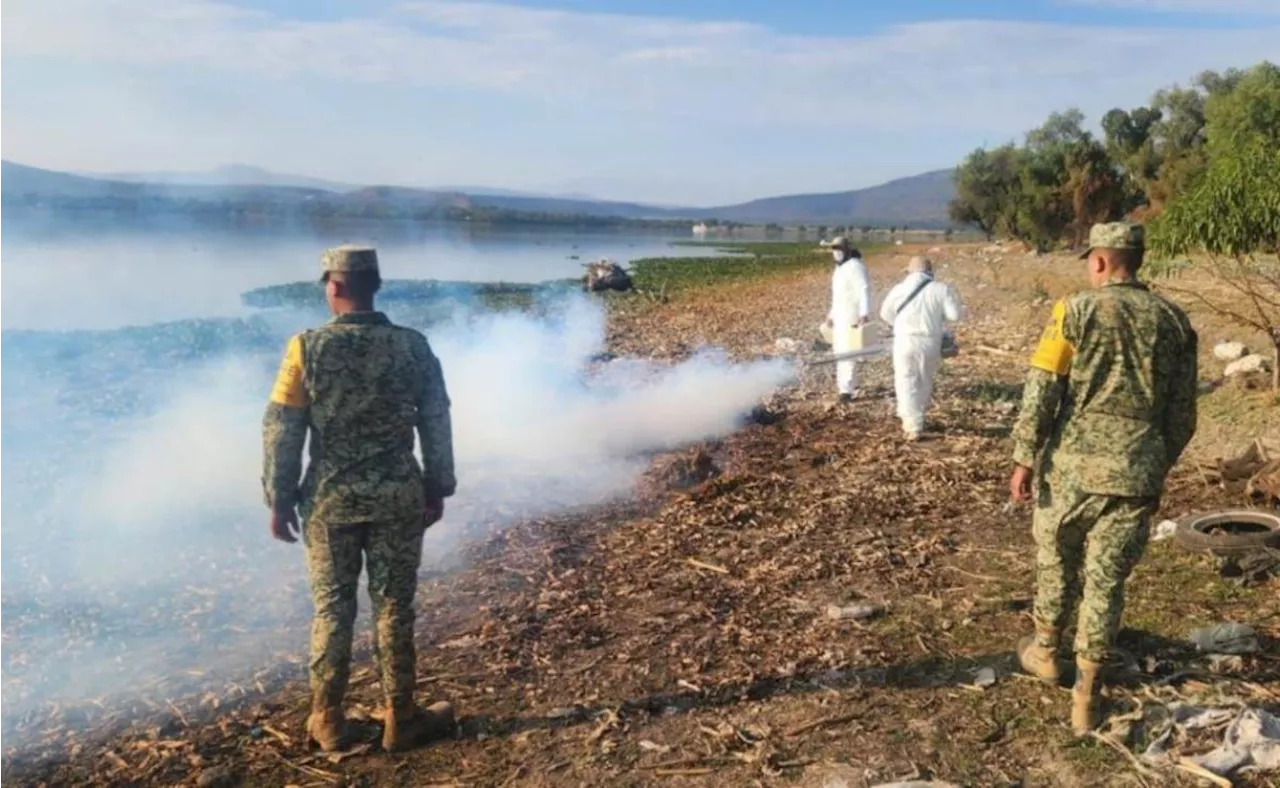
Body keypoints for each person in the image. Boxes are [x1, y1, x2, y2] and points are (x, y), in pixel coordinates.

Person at [262, 245, 458, 753]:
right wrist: (438, 485)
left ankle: (326, 720)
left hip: (330, 502)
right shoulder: (414, 347)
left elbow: (283, 430)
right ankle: (401, 719)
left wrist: (279, 499)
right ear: (375, 284)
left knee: (332, 611)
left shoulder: (305, 349)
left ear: (334, 286)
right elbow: (436, 419)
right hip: (398, 496)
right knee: (395, 607)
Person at [1010, 222, 1198, 735]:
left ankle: (1047, 652)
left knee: (1056, 559)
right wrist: (1154, 460)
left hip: (1072, 467)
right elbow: (1183, 415)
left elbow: (1043, 389)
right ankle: (1086, 699)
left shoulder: (1074, 311)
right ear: (1136, 260)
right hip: (1137, 470)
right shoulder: (1174, 321)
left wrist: (1025, 456)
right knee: (1107, 579)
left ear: (1098, 261)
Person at [878, 256, 963, 441]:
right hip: (930, 340)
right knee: (924, 379)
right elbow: (955, 315)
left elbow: (884, 313)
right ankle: (916, 418)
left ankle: (911, 423)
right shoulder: (942, 289)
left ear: (909, 272)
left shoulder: (899, 289)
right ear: (930, 272)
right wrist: (936, 317)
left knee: (905, 380)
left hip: (904, 340)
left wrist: (899, 324)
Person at [824, 237, 874, 403]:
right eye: (834, 248)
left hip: (852, 314)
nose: (836, 252)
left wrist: (864, 313)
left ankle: (845, 390)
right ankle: (848, 385)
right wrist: (831, 315)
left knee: (848, 351)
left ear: (846, 249)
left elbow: (863, 289)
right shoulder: (839, 269)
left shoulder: (855, 266)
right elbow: (837, 296)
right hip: (840, 316)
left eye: (839, 248)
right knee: (840, 352)